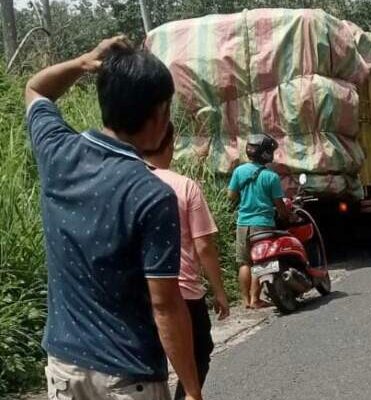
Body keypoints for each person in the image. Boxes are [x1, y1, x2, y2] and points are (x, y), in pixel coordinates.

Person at [25, 38, 202, 400]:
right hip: (128, 376)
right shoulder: (152, 195)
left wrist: (82, 62)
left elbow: (35, 88)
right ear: (160, 115)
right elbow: (165, 306)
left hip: (64, 368)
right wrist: (194, 391)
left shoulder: (57, 153)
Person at [145, 124, 230, 400]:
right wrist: (219, 292)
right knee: (199, 351)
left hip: (142, 290)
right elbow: (203, 245)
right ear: (169, 145)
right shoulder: (185, 186)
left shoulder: (130, 183)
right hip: (184, 293)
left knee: (152, 358)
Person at [228, 133, 291, 308]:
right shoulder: (271, 177)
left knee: (244, 262)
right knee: (261, 262)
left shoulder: (239, 171)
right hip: (263, 225)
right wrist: (286, 216)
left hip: (243, 224)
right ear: (265, 153)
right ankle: (256, 299)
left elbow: (231, 196)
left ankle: (245, 300)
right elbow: (279, 205)